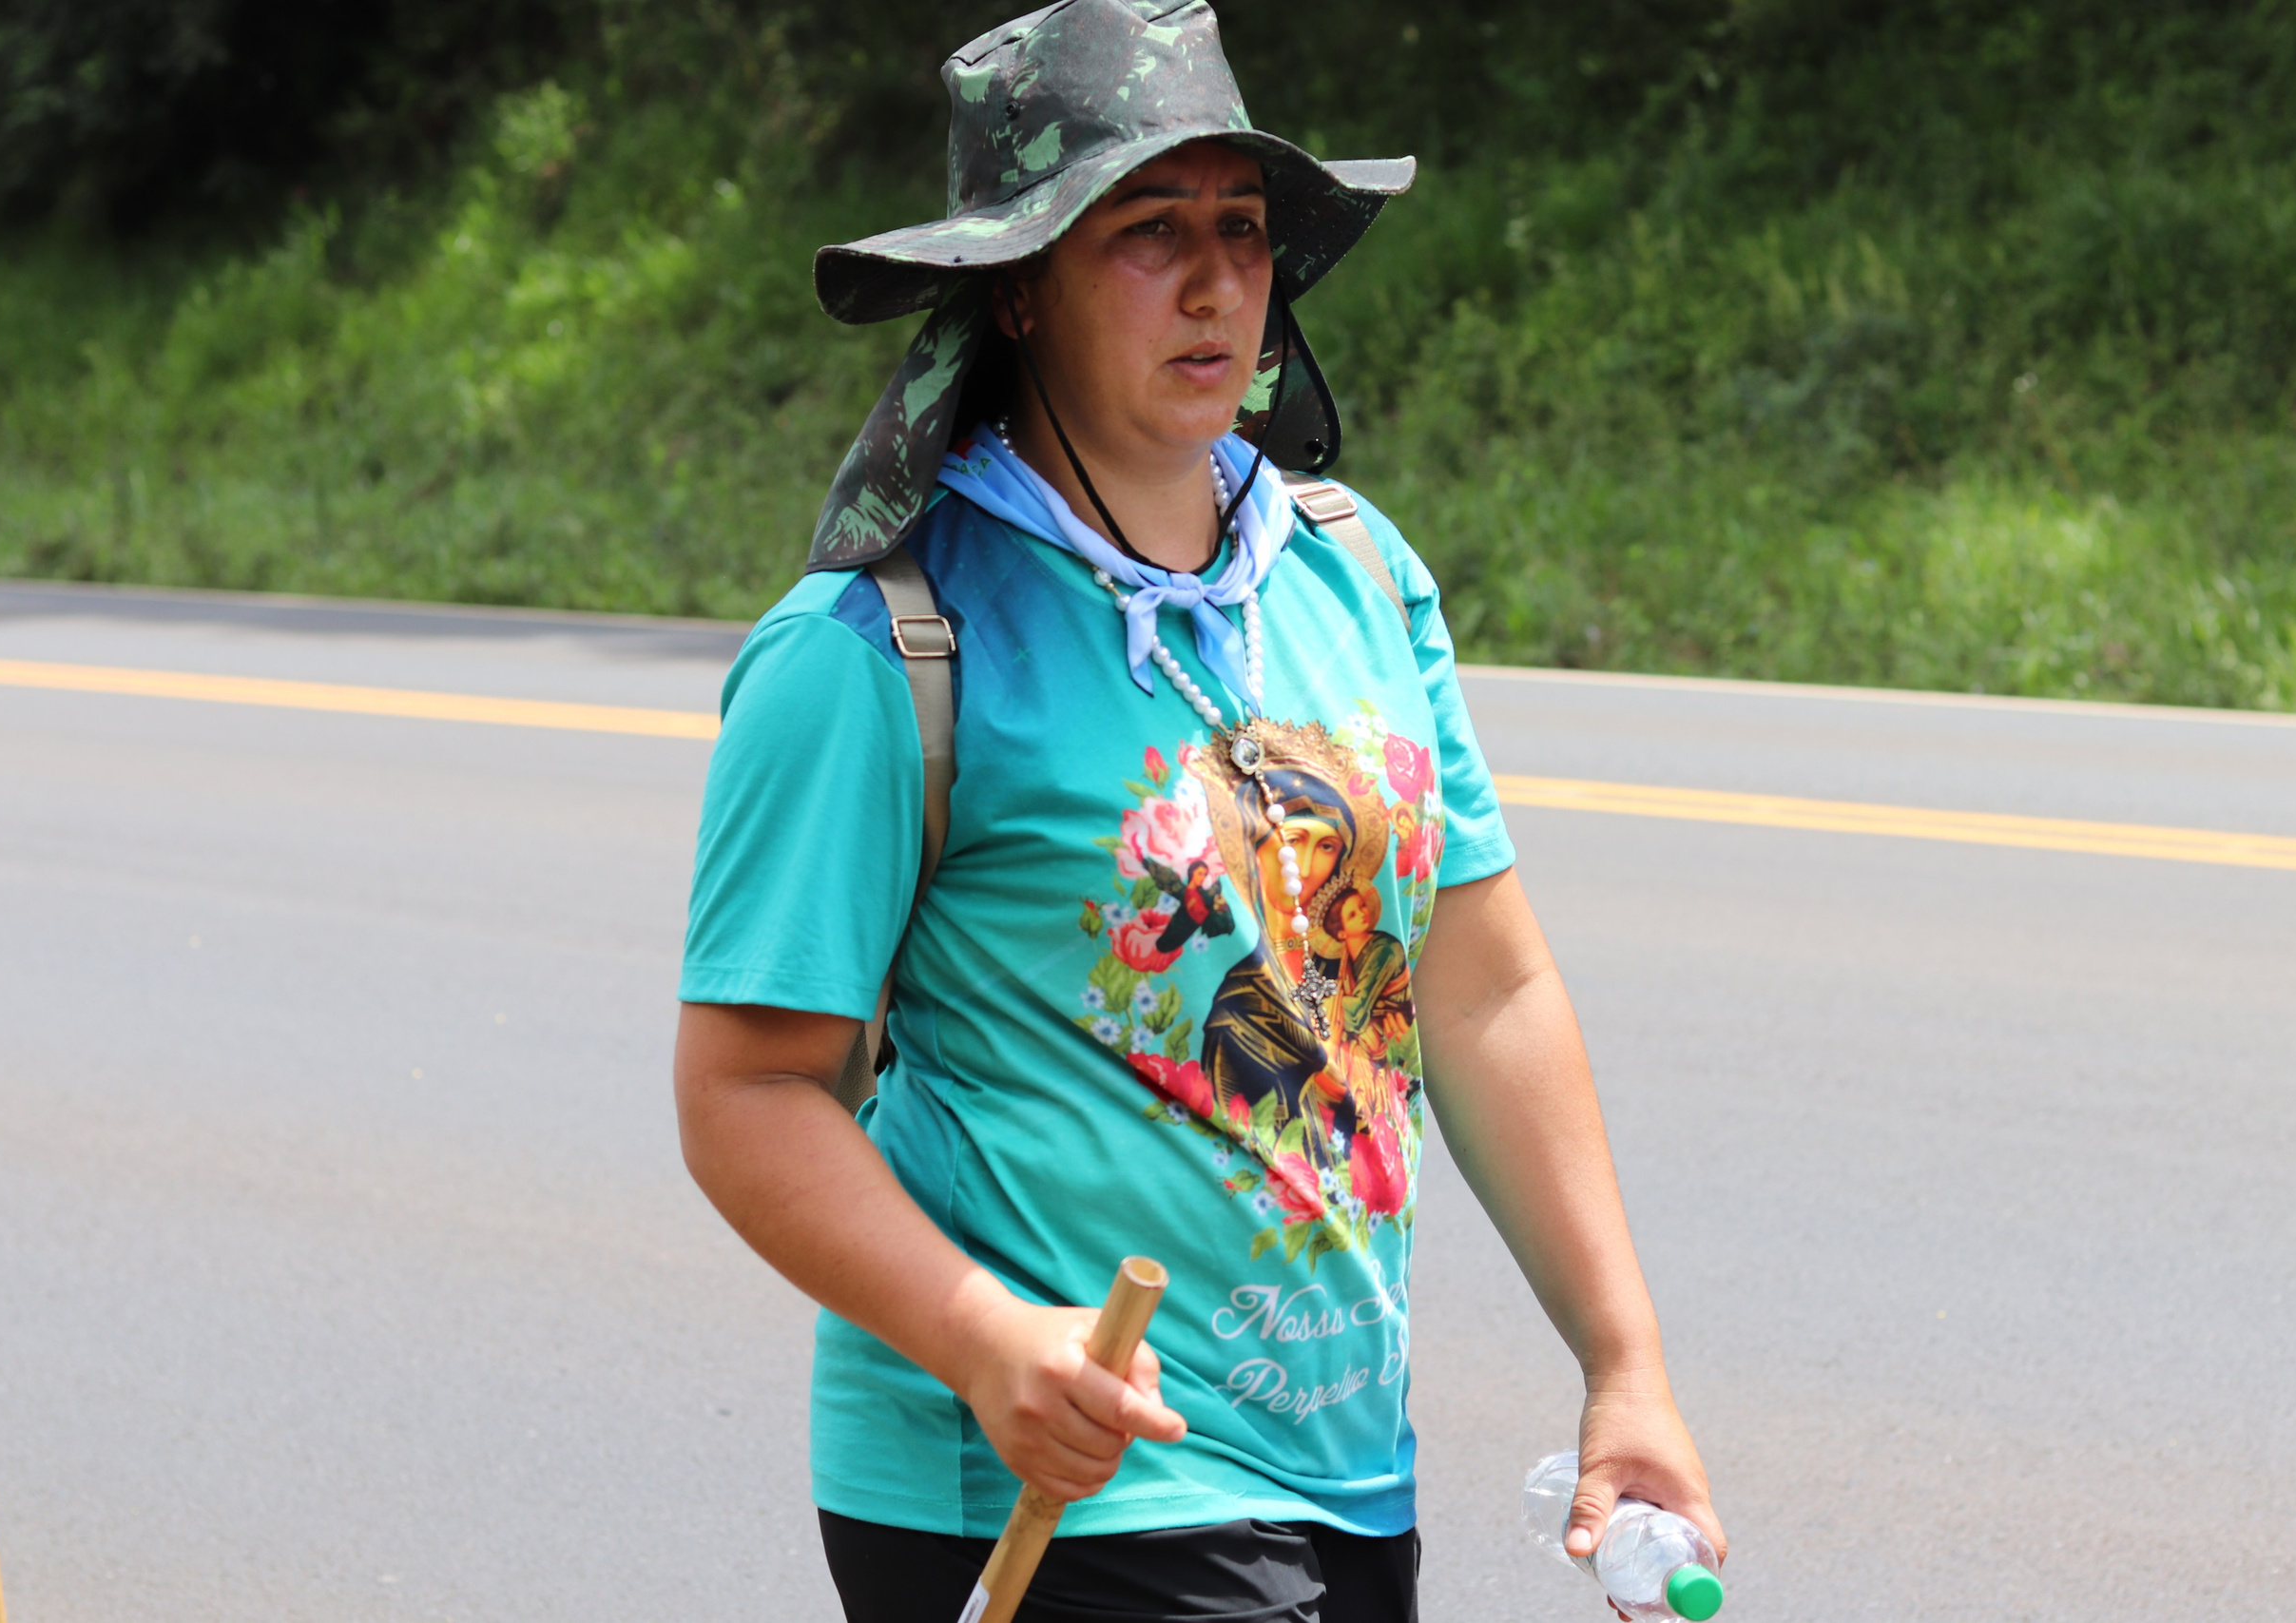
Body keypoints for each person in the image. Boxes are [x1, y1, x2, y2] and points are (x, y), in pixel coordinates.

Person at [672, 3, 1724, 1618]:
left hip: (1346, 1472)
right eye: (1147, 233)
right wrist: (984, 1337)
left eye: (1242, 228)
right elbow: (749, 1090)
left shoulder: (1352, 570)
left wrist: (1626, 1366)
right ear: (1016, 288)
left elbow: (1483, 983)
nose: (1219, 279)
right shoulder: (879, 650)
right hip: (1049, 1480)